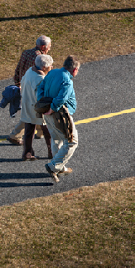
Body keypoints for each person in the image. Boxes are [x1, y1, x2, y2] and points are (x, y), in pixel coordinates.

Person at [7, 35, 53, 150]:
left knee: (30, 112)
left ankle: (40, 133)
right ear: (43, 46)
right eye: (49, 46)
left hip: (24, 84)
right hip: (34, 88)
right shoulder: (41, 58)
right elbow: (42, 76)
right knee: (32, 113)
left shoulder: (26, 53)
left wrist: (18, 83)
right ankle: (16, 135)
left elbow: (18, 68)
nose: (49, 49)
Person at [41, 55, 81, 183]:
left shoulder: (52, 72)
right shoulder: (67, 81)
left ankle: (60, 167)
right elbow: (61, 98)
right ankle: (54, 166)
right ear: (74, 70)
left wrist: (43, 104)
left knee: (56, 138)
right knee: (71, 141)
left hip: (46, 112)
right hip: (60, 115)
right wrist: (52, 108)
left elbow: (40, 88)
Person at [18, 53, 54, 160]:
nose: (51, 68)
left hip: (27, 105)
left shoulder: (29, 71)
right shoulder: (41, 80)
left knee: (29, 131)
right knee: (49, 131)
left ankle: (27, 153)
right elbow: (42, 97)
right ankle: (52, 152)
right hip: (38, 109)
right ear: (44, 67)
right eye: (50, 66)